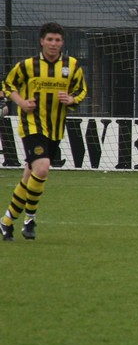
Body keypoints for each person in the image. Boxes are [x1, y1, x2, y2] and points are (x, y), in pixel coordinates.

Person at [0, 22, 87, 242]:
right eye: (49, 39)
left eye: (57, 40)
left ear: (62, 43)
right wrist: (21, 102)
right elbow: (8, 85)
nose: (53, 44)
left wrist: (71, 99)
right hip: (32, 125)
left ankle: (6, 221)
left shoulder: (72, 65)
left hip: (55, 128)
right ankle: (30, 220)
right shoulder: (27, 65)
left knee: (30, 176)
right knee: (42, 168)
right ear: (41, 41)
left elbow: (81, 90)